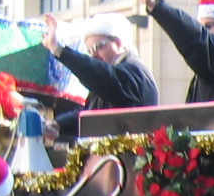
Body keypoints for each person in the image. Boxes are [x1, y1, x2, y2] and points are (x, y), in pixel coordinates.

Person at [41, 12, 160, 143]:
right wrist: (59, 124)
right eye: (90, 50)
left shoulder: (135, 71)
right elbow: (90, 113)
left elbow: (102, 76)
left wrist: (59, 50)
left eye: (98, 47)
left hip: (127, 153)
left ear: (119, 43)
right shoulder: (109, 76)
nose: (94, 55)